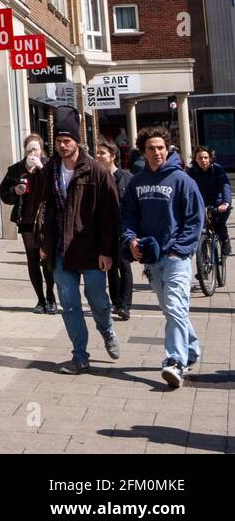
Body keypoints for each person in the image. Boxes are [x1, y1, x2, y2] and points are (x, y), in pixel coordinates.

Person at [35, 107, 121, 375]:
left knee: (98, 300)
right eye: (59, 141)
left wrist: (107, 250)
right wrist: (41, 243)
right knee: (70, 305)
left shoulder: (96, 171)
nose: (62, 145)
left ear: (76, 141)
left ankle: (106, 330)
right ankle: (80, 355)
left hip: (92, 250)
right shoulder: (49, 171)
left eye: (67, 141)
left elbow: (111, 214)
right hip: (60, 251)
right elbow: (39, 206)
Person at [121, 127, 205, 388]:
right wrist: (131, 240)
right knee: (171, 309)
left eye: (160, 147)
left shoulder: (182, 180)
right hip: (151, 259)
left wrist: (179, 249)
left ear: (167, 149)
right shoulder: (136, 182)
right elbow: (128, 218)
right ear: (143, 151)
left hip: (177, 258)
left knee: (175, 306)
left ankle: (175, 362)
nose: (156, 152)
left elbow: (195, 219)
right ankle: (191, 349)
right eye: (150, 148)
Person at [0, 134, 56, 314]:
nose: (33, 153)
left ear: (42, 150)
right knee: (32, 259)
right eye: (30, 149)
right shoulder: (16, 169)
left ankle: (51, 297)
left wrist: (41, 167)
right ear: (25, 151)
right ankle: (40, 299)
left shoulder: (49, 166)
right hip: (26, 220)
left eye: (36, 149)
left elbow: (57, 188)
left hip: (46, 220)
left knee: (47, 259)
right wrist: (15, 190)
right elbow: (3, 193)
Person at [95, 140, 134, 321]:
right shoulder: (97, 177)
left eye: (102, 153)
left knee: (124, 266)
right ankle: (117, 302)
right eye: (97, 153)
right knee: (110, 267)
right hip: (105, 229)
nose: (98, 156)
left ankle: (125, 305)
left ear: (113, 156)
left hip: (123, 229)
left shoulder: (127, 178)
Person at [187, 147, 231, 257]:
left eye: (206, 157)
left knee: (218, 225)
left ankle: (225, 241)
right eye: (200, 158)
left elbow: (225, 186)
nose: (203, 160)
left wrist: (225, 203)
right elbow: (186, 189)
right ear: (196, 159)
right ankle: (202, 262)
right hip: (201, 203)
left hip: (218, 203)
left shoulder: (217, 169)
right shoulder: (192, 171)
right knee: (198, 227)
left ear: (210, 158)